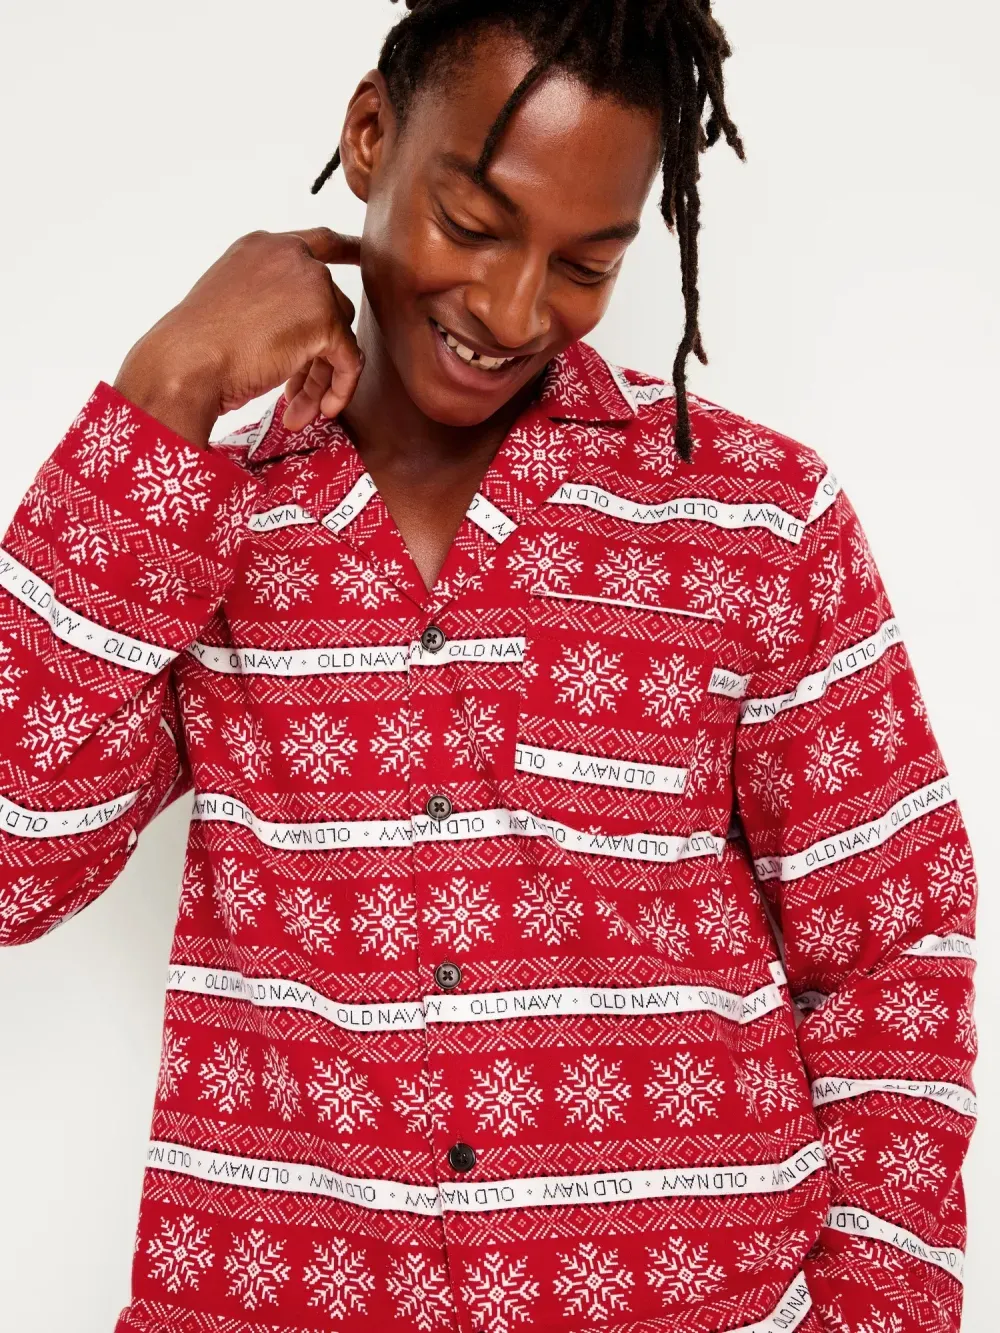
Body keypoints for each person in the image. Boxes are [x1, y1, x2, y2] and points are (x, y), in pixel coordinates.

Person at [0, 2, 977, 1331]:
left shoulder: (758, 517)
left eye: (585, 263)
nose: (513, 308)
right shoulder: (202, 507)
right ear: (370, 135)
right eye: (472, 223)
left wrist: (878, 1313)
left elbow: (893, 943)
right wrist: (166, 391)